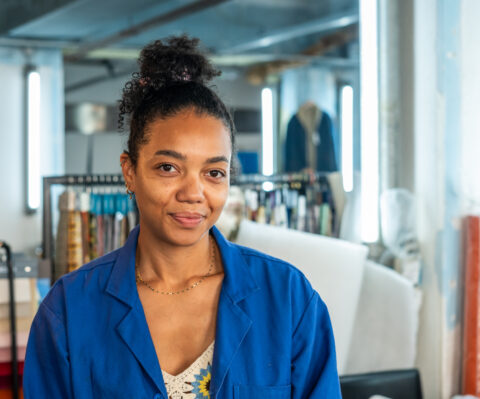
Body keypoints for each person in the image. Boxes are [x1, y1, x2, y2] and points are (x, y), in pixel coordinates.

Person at [23, 35, 341, 398]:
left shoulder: (288, 299)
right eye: (169, 167)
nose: (193, 193)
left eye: (214, 173)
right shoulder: (68, 311)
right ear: (130, 171)